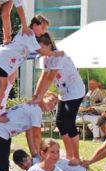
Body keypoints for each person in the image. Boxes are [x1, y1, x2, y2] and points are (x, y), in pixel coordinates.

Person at [0, 15, 59, 122]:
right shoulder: (29, 35)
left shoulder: (27, 43)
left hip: (5, 63)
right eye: (43, 28)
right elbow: (42, 52)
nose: (43, 31)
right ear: (35, 25)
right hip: (1, 60)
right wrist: (55, 54)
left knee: (2, 87)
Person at [32, 33, 86, 161]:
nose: (39, 51)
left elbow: (50, 78)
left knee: (69, 123)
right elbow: (43, 77)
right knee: (60, 123)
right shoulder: (45, 59)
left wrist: (40, 97)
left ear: (49, 45)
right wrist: (35, 96)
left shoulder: (59, 56)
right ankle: (69, 155)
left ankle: (76, 157)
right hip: (64, 93)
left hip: (75, 91)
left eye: (41, 47)